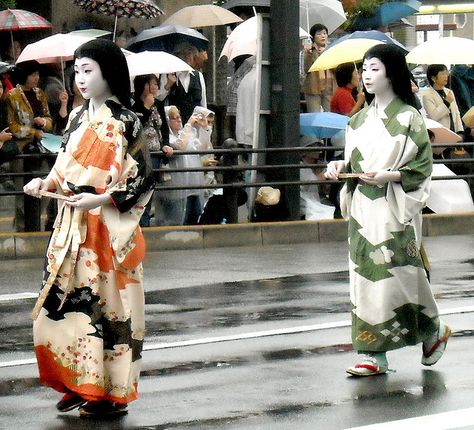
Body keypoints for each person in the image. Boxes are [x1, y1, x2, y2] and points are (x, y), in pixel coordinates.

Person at [23, 39, 154, 417]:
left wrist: (99, 199)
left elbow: (143, 178)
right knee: (64, 305)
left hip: (107, 230)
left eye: (88, 70)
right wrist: (45, 184)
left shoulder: (128, 121)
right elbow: (63, 164)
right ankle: (75, 381)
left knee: (107, 311)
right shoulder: (77, 117)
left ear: (108, 72)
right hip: (71, 224)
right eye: (77, 71)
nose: (80, 79)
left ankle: (108, 393)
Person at [324, 44, 451, 376]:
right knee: (366, 277)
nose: (366, 75)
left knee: (402, 276)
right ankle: (372, 351)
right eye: (363, 69)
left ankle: (432, 328)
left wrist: (391, 175)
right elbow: (354, 162)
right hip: (364, 207)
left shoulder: (410, 118)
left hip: (395, 206)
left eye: (374, 68)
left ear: (392, 73)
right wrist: (339, 166)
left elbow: (422, 168)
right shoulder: (358, 121)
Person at [6, 60, 54, 231]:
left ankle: (34, 221)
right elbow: (13, 126)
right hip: (22, 148)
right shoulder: (13, 95)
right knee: (22, 190)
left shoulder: (40, 93)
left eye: (38, 74)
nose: (36, 78)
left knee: (45, 185)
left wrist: (44, 122)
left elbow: (49, 118)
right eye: (33, 74)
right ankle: (21, 226)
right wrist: (33, 132)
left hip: (43, 147)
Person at [132, 73, 173, 227]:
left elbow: (164, 128)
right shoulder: (132, 103)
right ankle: (141, 223)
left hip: (156, 152)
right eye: (152, 84)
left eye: (157, 84)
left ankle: (147, 220)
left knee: (151, 190)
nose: (156, 87)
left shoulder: (159, 103)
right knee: (142, 191)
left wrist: (166, 144)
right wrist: (146, 108)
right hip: (140, 154)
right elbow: (135, 126)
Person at [422, 64, 464, 139]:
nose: (446, 76)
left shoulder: (449, 92)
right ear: (433, 78)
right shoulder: (427, 95)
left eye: (446, 73)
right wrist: (446, 103)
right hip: (440, 134)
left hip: (454, 132)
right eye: (442, 74)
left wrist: (460, 132)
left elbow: (456, 113)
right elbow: (434, 116)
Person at [302, 23, 336, 112]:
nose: (323, 36)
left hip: (329, 86)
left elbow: (336, 68)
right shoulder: (309, 50)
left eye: (324, 33)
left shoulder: (331, 50)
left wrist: (326, 54)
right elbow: (306, 69)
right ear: (313, 37)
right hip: (313, 87)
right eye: (319, 34)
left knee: (329, 113)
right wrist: (309, 54)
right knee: (314, 114)